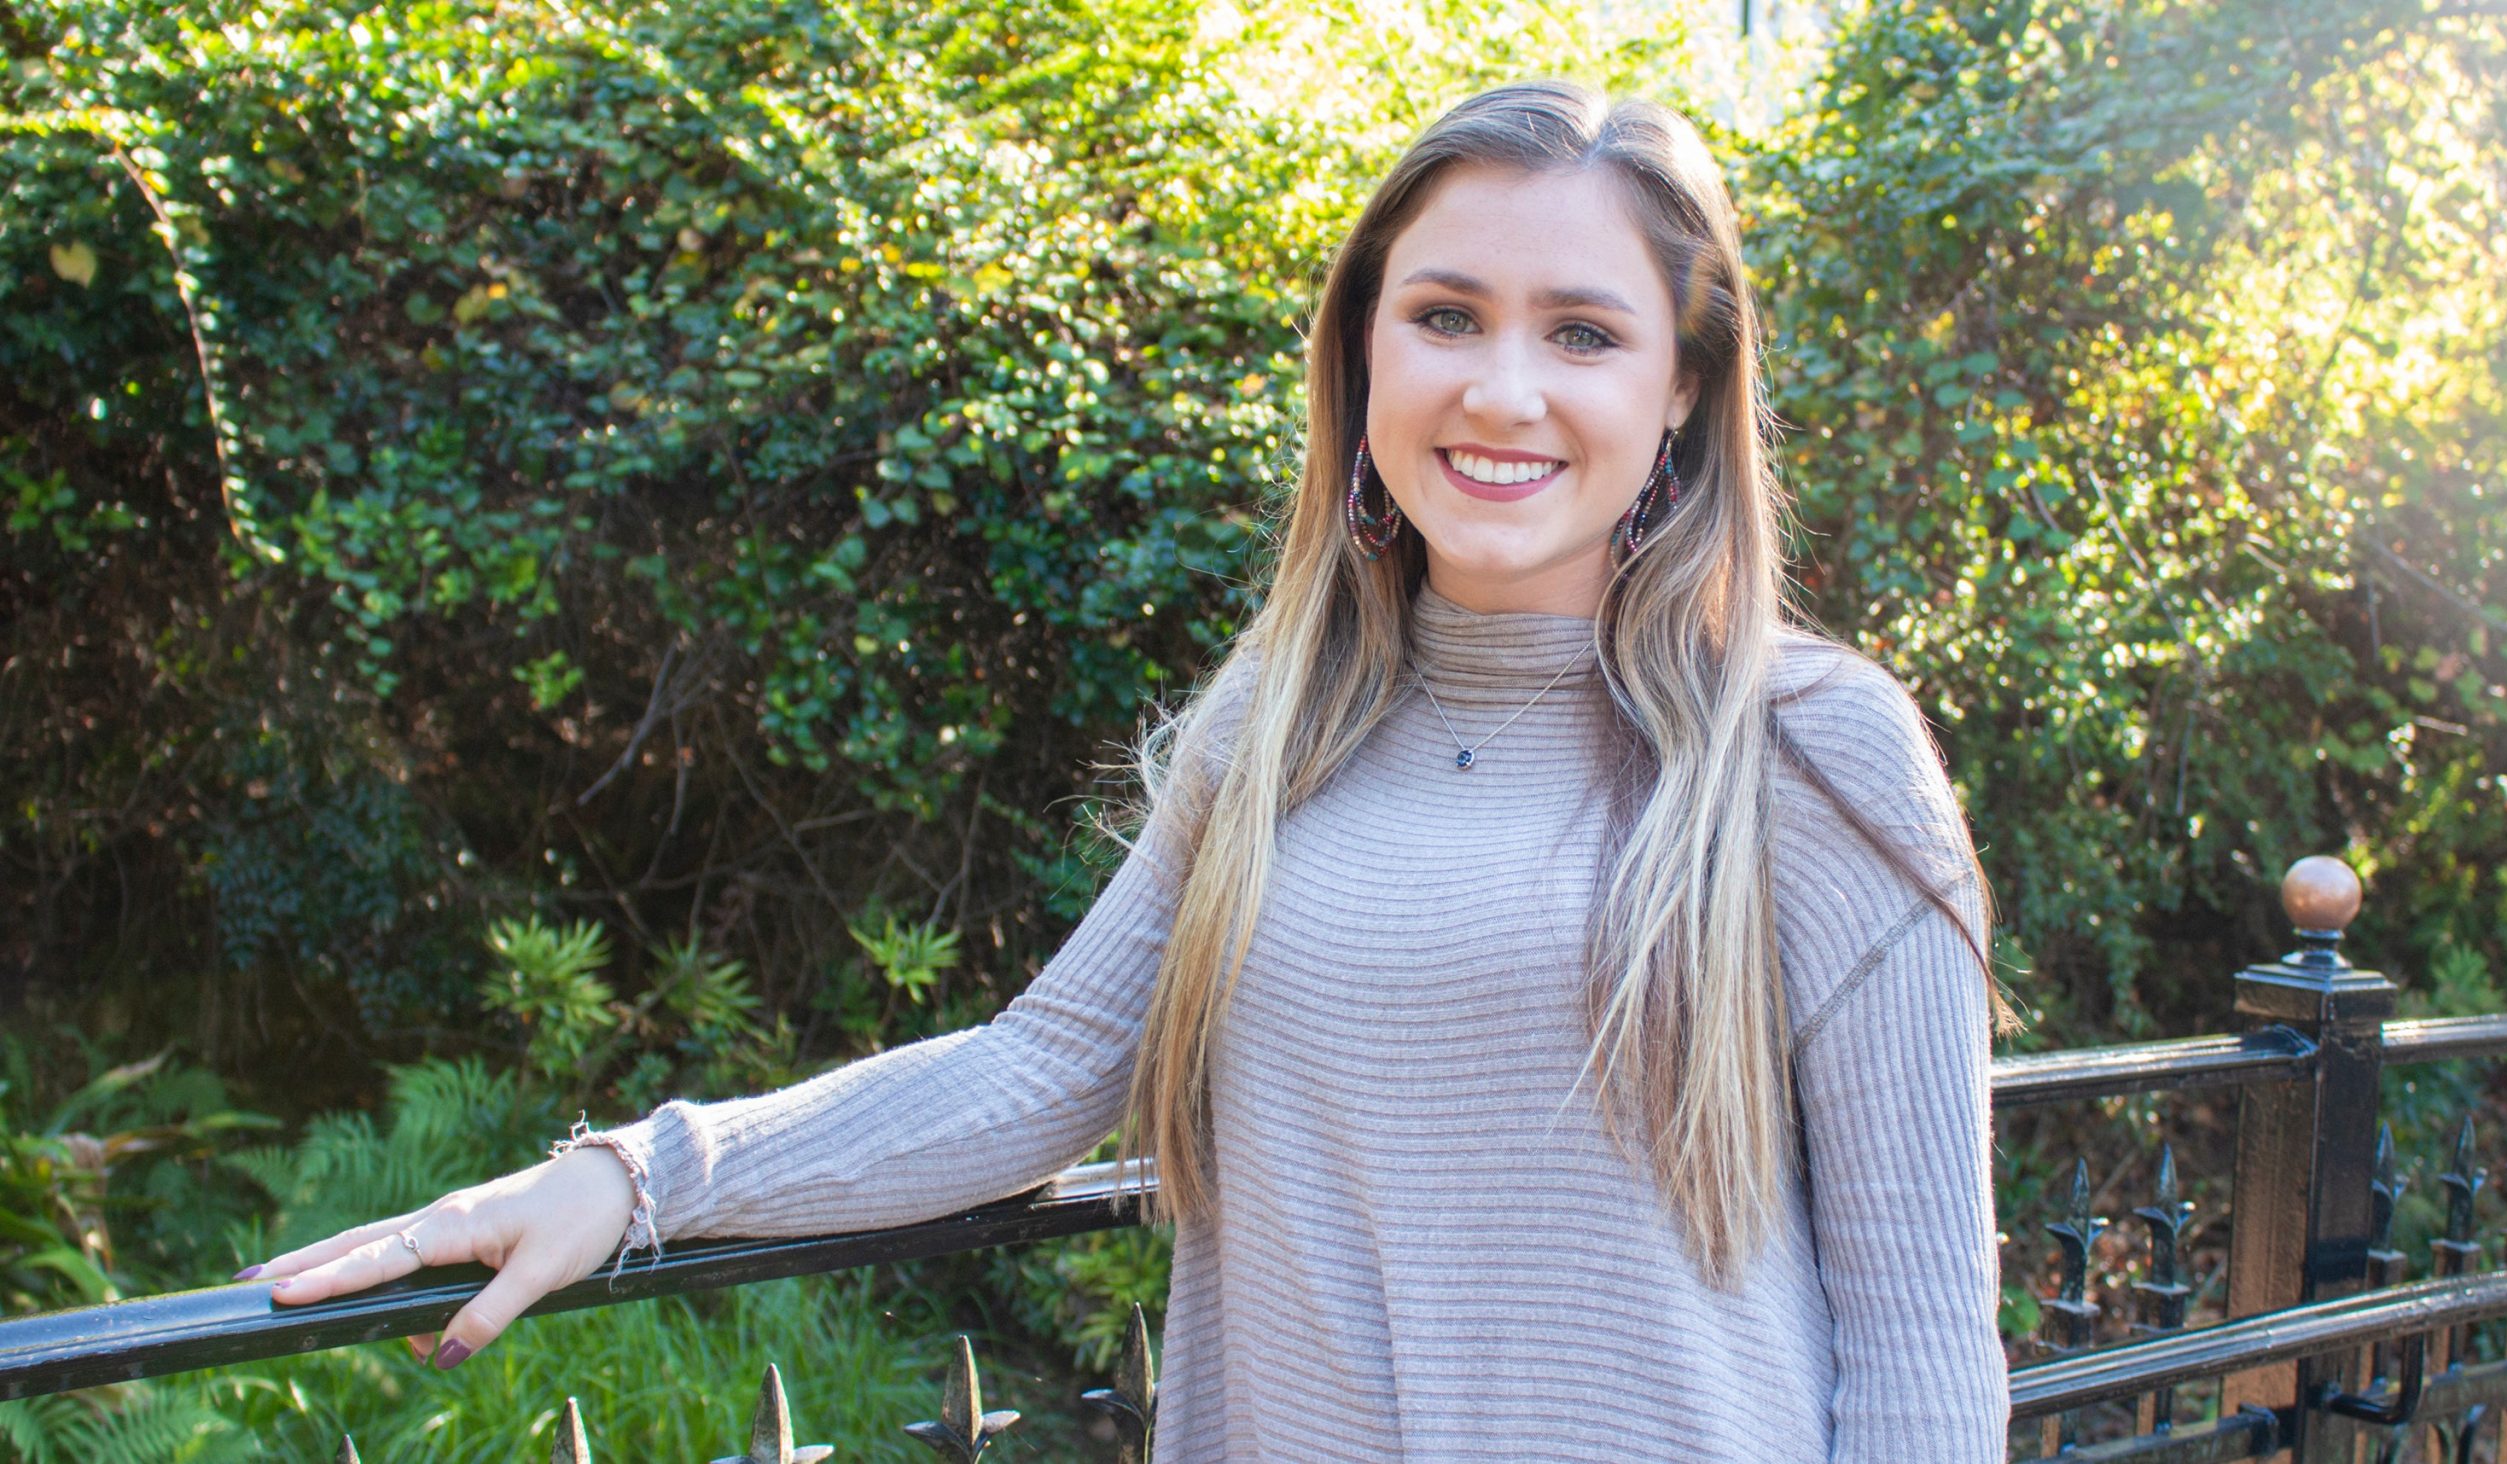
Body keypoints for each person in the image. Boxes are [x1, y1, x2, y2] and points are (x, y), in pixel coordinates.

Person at [246, 78, 2014, 1461]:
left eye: (1583, 333)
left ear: (1686, 393)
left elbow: (1926, 1333)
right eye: (1446, 315)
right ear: (1362, 352)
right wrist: (642, 1174)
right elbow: (1039, 1071)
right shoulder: (1278, 726)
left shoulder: (1808, 747)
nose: (1501, 390)